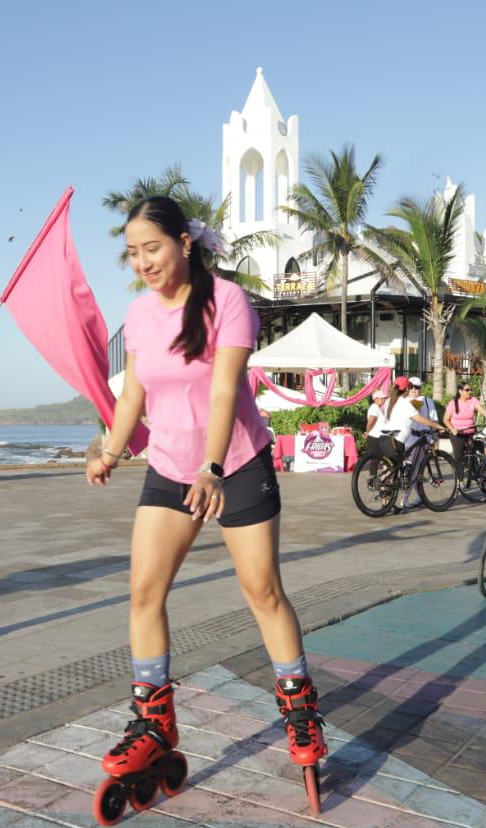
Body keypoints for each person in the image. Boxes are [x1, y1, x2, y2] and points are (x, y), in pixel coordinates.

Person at [85, 196, 326, 791]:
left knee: (261, 589)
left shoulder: (227, 301)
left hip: (236, 463)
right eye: (133, 252)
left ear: (184, 244)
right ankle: (154, 722)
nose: (143, 261)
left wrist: (214, 466)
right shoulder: (140, 315)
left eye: (153, 248)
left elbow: (224, 391)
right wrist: (112, 451)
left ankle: (300, 710)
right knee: (143, 590)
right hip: (169, 467)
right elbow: (134, 394)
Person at [392, 377, 449, 509]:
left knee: (415, 470)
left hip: (422, 439)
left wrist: (435, 437)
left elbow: (433, 419)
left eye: (416, 387)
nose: (413, 390)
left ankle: (406, 499)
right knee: (410, 470)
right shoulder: (405, 401)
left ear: (420, 388)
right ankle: (413, 497)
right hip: (407, 438)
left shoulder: (428, 401)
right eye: (411, 387)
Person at [444, 381, 483, 464]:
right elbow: (446, 419)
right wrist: (452, 429)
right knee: (458, 456)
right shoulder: (453, 403)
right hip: (457, 432)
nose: (470, 392)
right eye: (467, 390)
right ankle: (459, 476)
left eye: (470, 390)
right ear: (460, 391)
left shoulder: (473, 400)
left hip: (471, 431)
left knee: (473, 455)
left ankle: (473, 475)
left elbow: (483, 411)